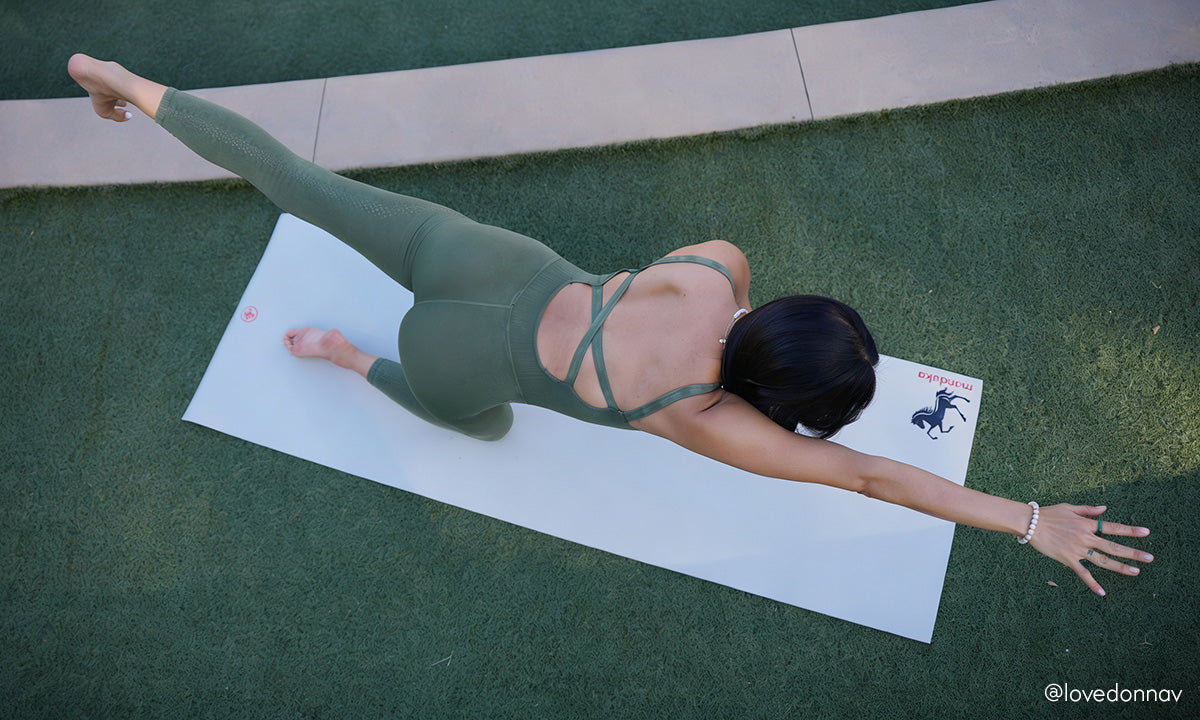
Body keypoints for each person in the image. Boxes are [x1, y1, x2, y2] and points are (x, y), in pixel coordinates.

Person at [68, 54, 1153, 596]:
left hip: (478, 257)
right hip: (459, 356)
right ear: (781, 404)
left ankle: (124, 84)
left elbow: (711, 271)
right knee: (485, 427)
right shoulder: (704, 420)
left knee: (299, 182)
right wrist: (1026, 521)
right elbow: (872, 478)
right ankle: (351, 357)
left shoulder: (717, 271)